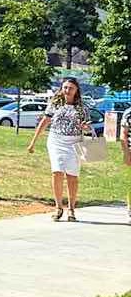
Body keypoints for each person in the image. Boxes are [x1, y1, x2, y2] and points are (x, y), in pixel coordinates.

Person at [26, 77, 92, 222]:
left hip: (74, 143)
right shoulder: (55, 103)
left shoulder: (82, 107)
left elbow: (88, 127)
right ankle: (58, 207)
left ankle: (71, 209)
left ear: (76, 91)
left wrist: (85, 128)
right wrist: (33, 142)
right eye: (65, 87)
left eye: (71, 88)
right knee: (57, 172)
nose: (67, 91)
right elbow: (45, 121)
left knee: (72, 176)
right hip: (56, 141)